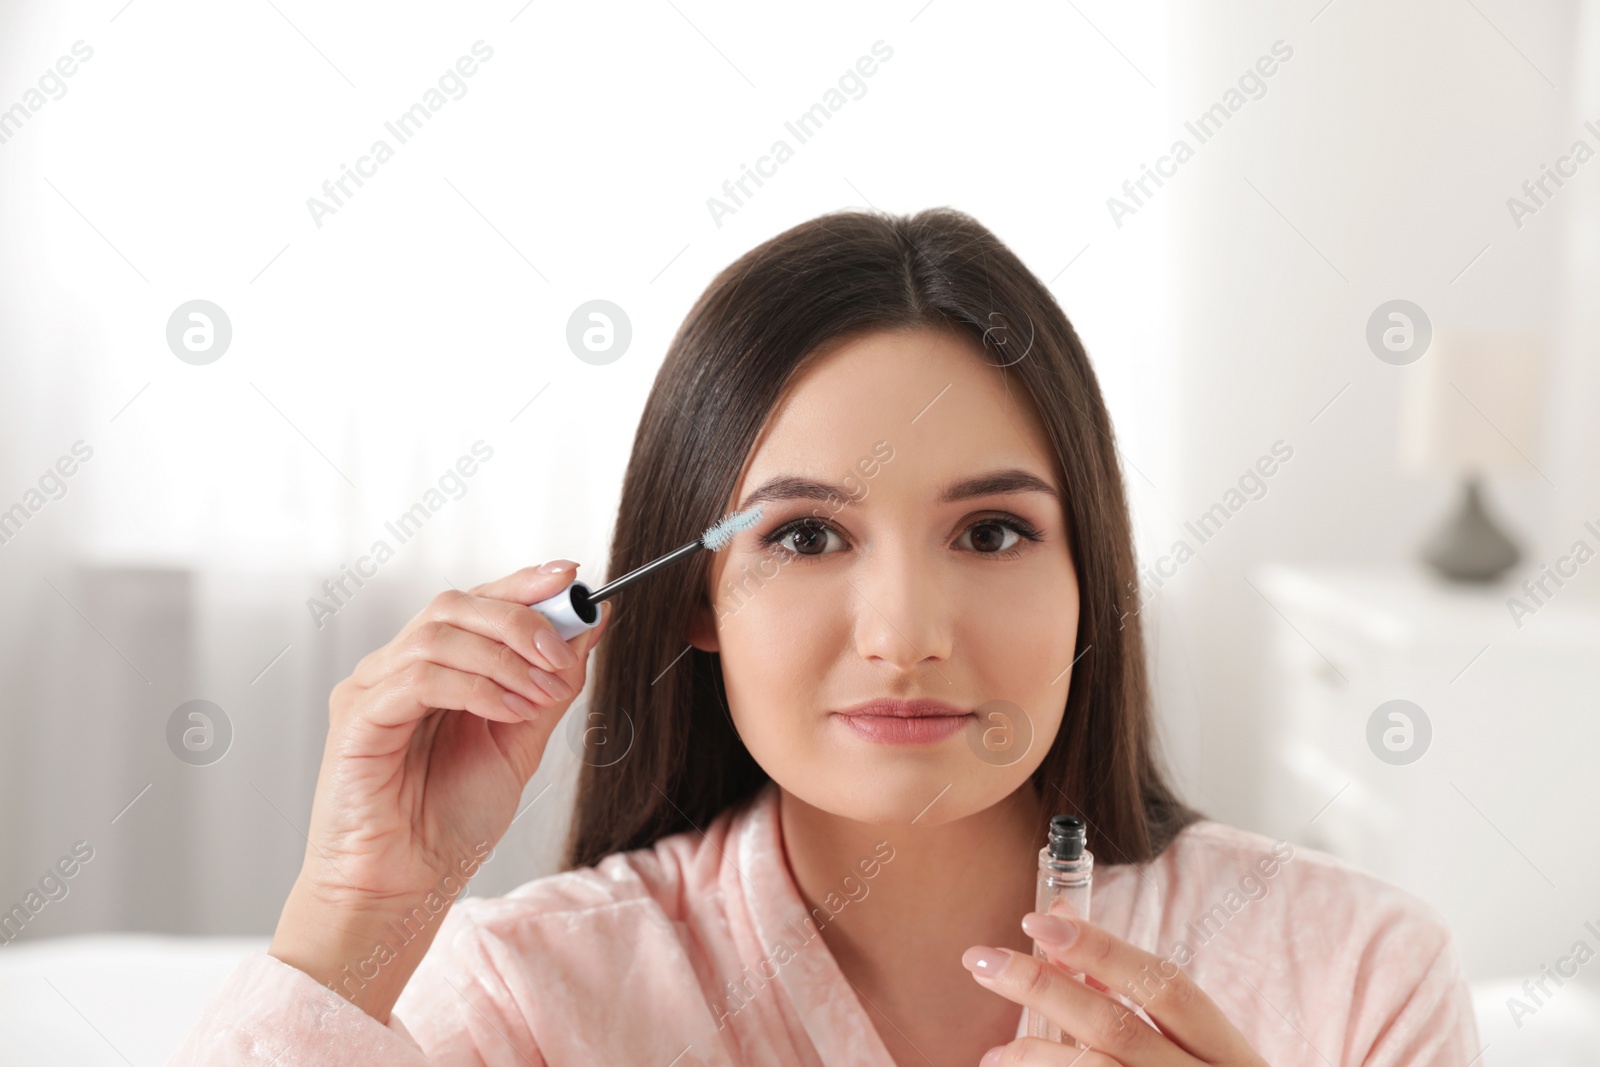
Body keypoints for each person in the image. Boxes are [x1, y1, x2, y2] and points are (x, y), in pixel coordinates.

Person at [170, 208, 1480, 1066]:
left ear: (1092, 579)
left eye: (992, 534)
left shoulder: (1355, 977)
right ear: (691, 596)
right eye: (803, 537)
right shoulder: (530, 997)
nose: (905, 633)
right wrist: (355, 930)